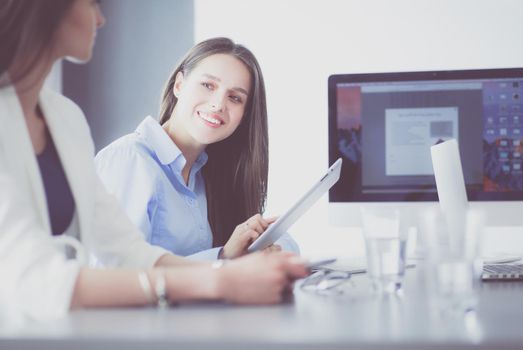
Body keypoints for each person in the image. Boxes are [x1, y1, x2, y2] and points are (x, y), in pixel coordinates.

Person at [0, 0, 307, 320]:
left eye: (234, 97)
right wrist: (221, 277)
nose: (101, 19)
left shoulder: (65, 119)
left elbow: (130, 253)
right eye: (92, 3)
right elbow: (37, 281)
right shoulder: (129, 159)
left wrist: (233, 270)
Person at [95, 38, 298, 260]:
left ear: (244, 116)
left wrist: (263, 244)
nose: (219, 104)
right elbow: (116, 277)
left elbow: (288, 246)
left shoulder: (206, 175)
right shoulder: (129, 160)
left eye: (235, 97)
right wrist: (222, 258)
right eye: (208, 85)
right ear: (179, 85)